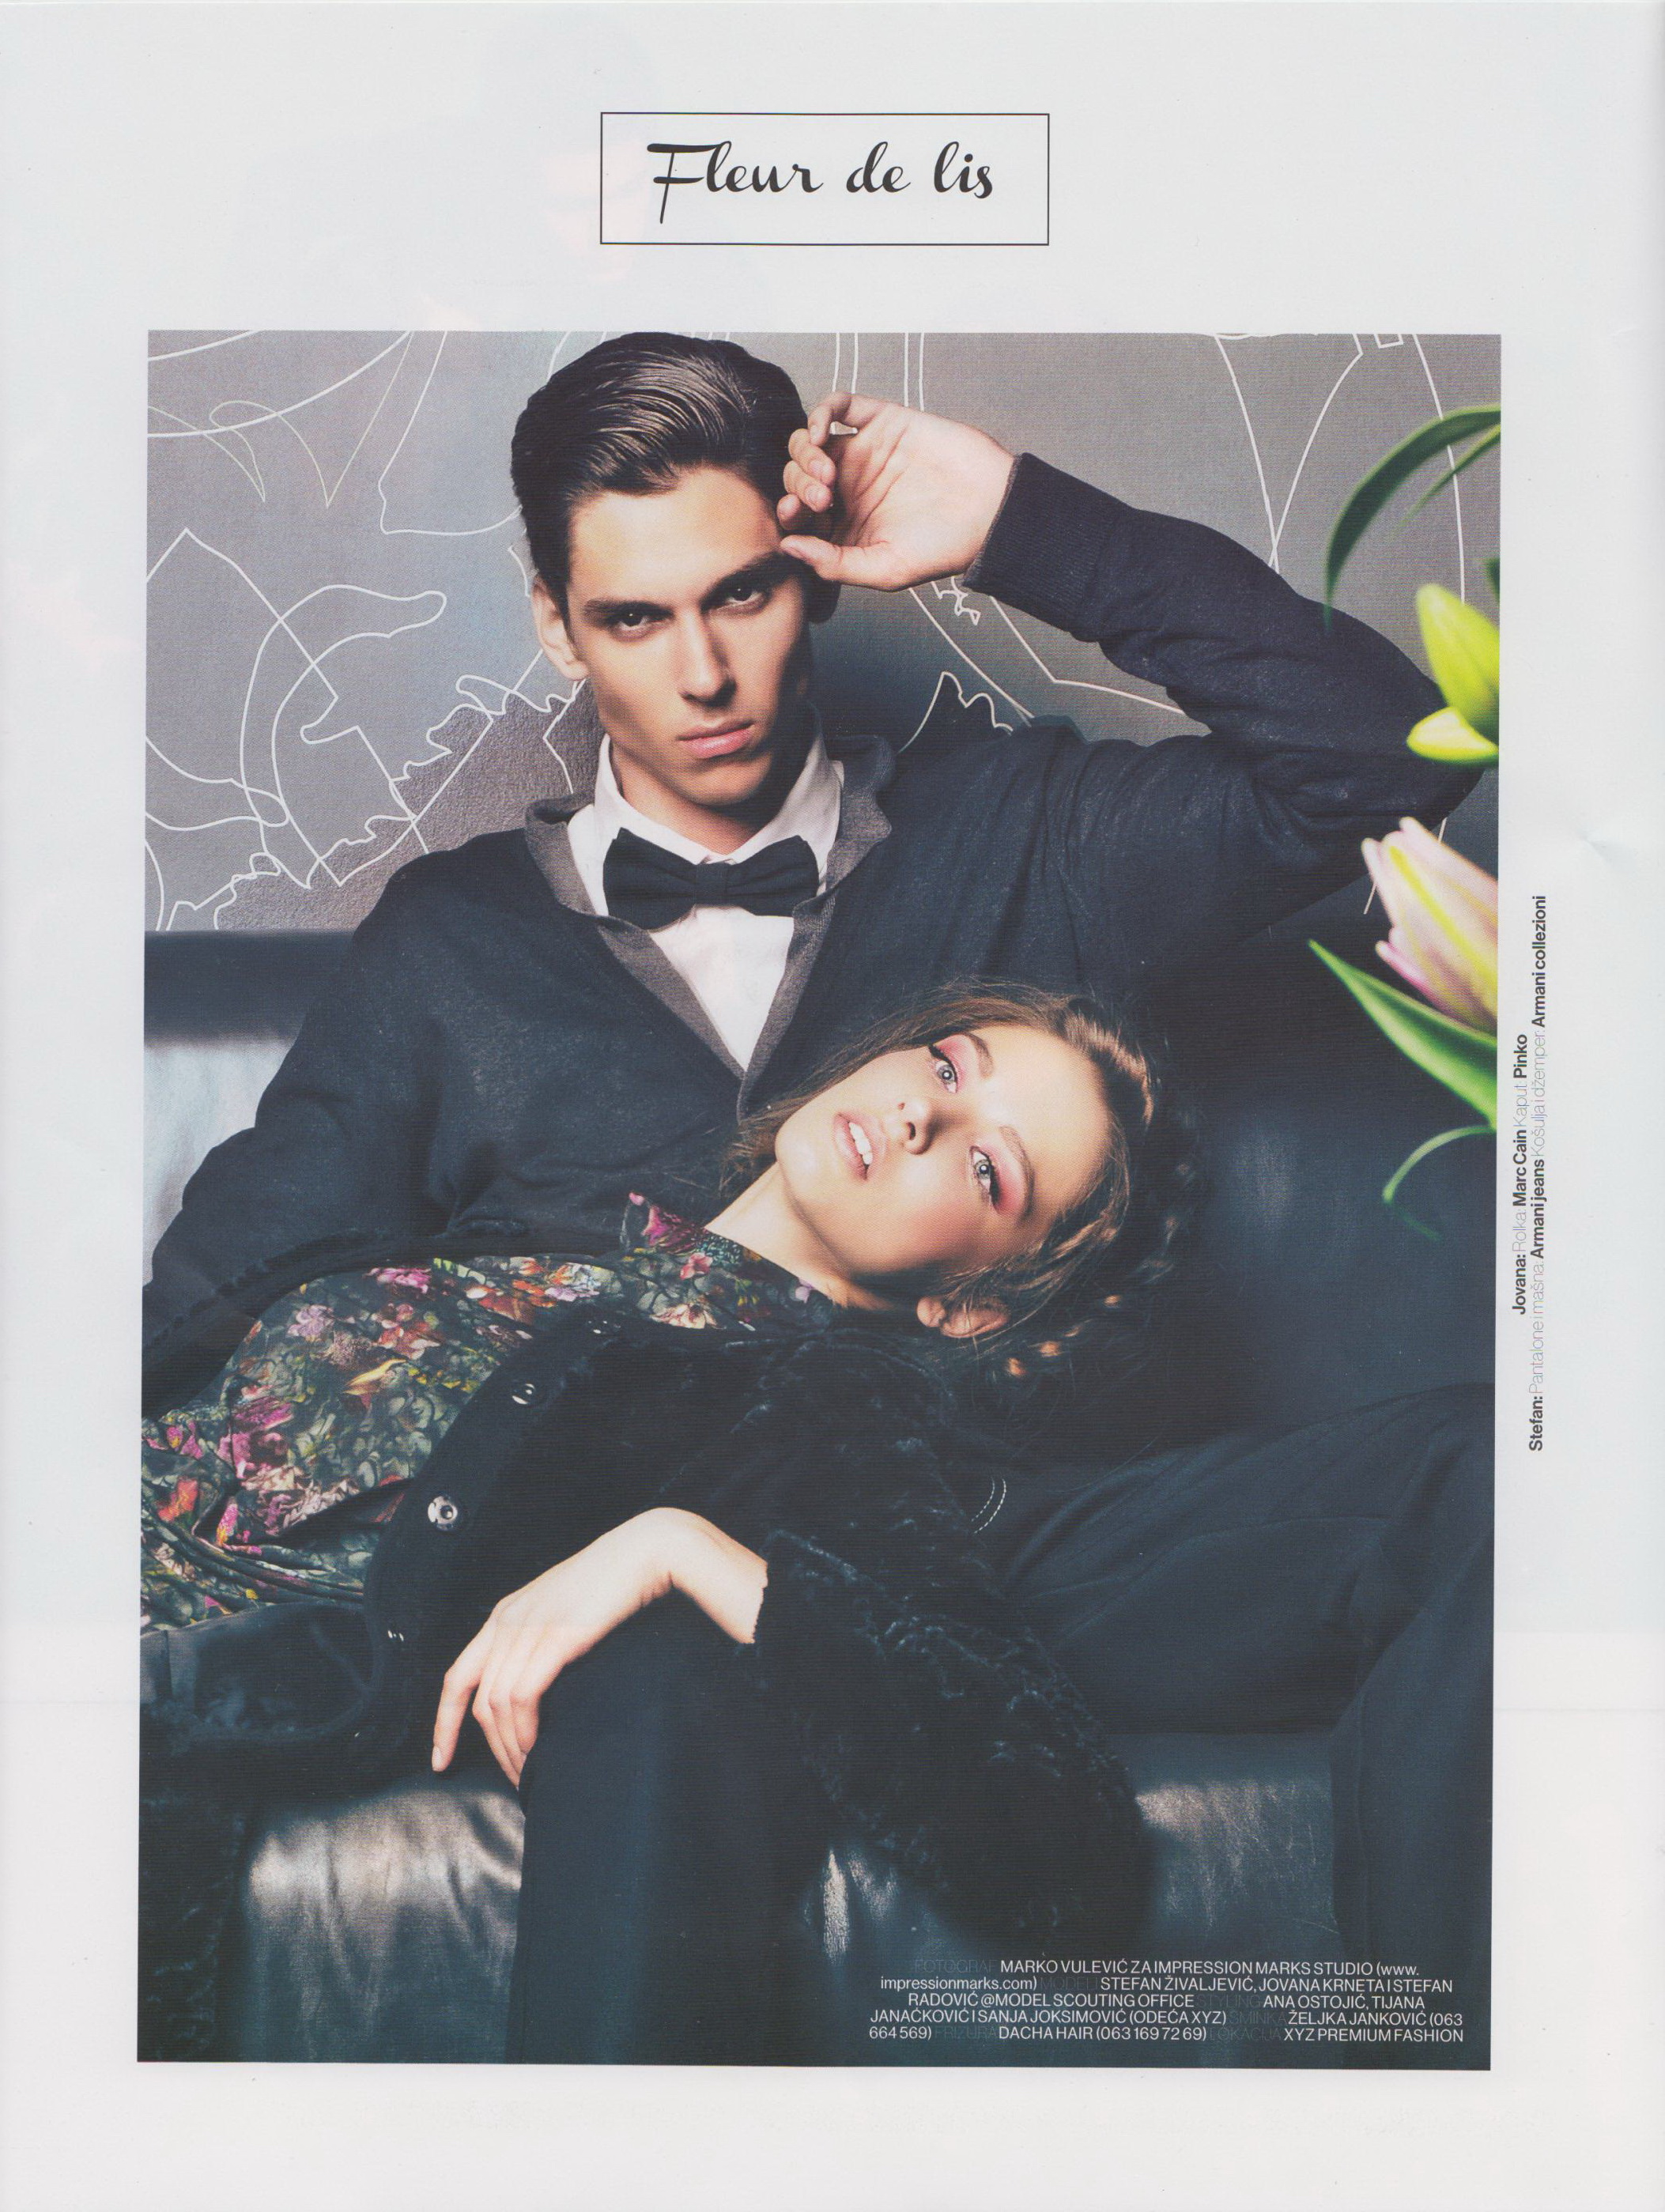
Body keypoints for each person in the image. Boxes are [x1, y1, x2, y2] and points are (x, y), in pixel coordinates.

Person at [141, 335, 1492, 2062]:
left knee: (1491, 1479)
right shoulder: (452, 944)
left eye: (745, 594)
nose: (703, 671)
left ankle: (1458, 2123)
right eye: (635, 618)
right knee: (657, 1664)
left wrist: (1021, 525)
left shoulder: (1020, 829)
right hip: (621, 1547)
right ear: (557, 623)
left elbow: (1383, 757)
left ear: (814, 577)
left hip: (969, 1518)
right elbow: (241, 1293)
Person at [141, 983, 1188, 2062]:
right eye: (948, 1064)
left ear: (969, 1304)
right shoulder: (555, 1241)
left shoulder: (828, 1415)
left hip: (148, 1662)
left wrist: (676, 1548)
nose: (924, 1113)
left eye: (985, 1169)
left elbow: (1064, 1848)